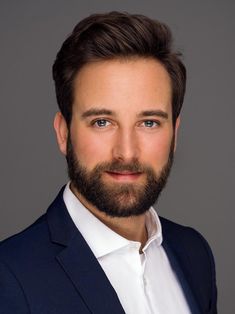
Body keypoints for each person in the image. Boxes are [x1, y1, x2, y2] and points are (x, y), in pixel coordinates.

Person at [0, 11, 217, 314]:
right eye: (102, 122)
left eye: (150, 123)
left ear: (174, 134)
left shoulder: (194, 255)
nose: (126, 153)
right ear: (63, 133)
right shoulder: (8, 277)